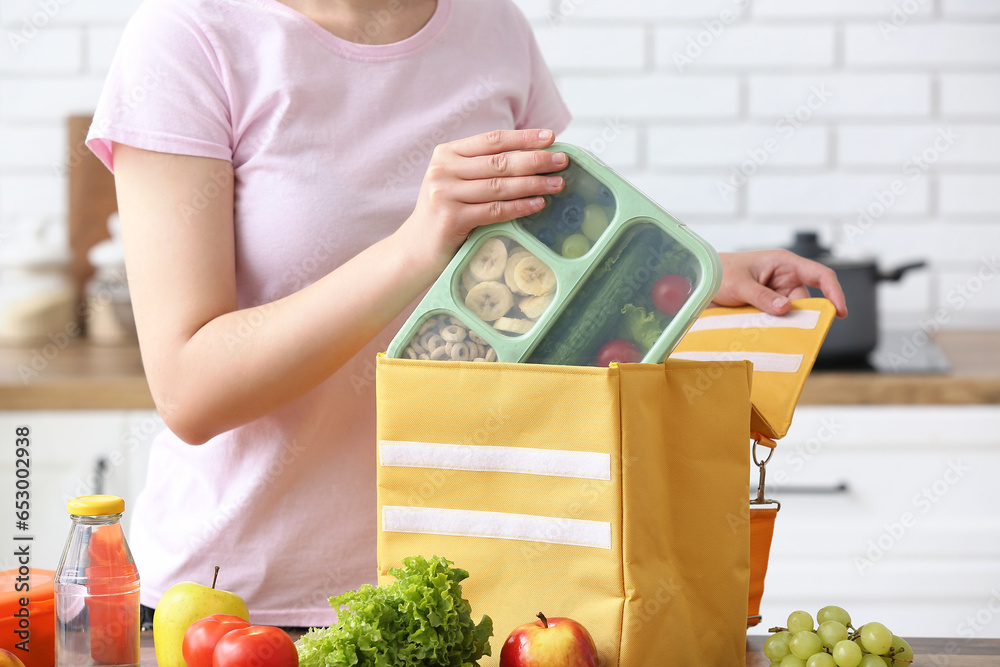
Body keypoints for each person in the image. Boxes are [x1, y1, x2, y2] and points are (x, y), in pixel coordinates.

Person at [86, 0, 846, 629]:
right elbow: (191, 388)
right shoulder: (190, 39)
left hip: (469, 592)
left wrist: (687, 273)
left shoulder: (492, 29)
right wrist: (416, 244)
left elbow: (529, 269)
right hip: (242, 607)